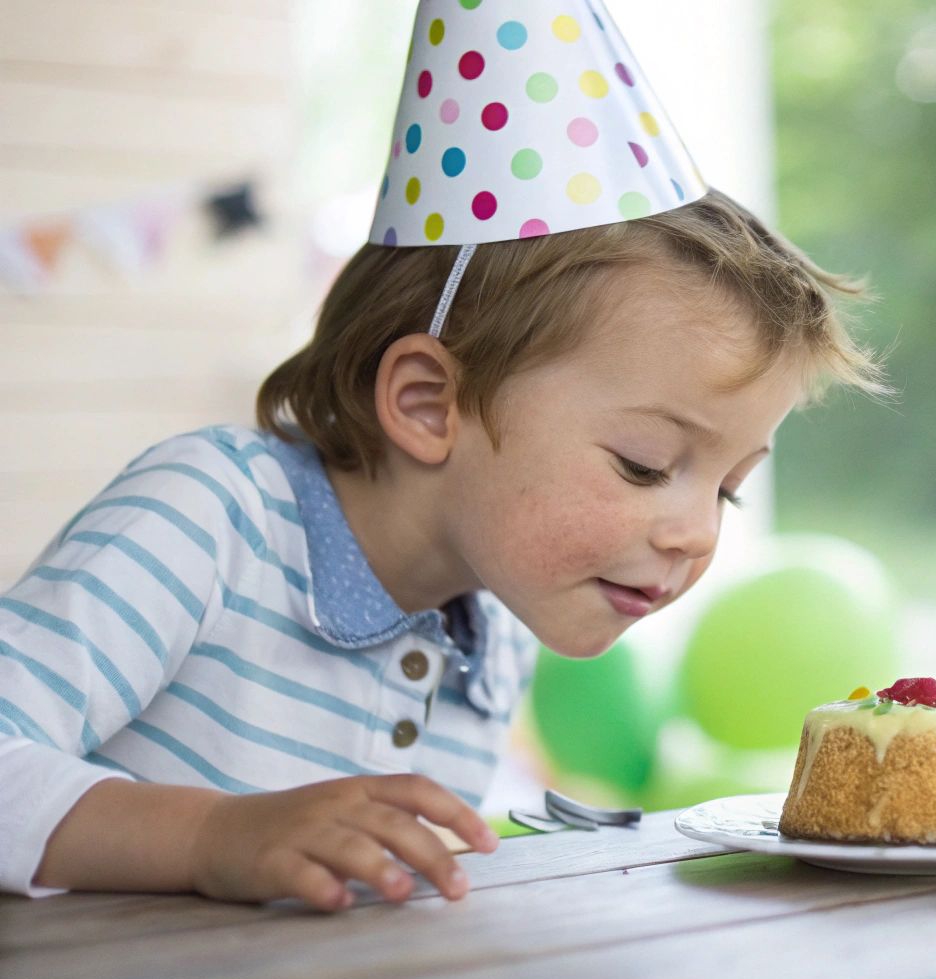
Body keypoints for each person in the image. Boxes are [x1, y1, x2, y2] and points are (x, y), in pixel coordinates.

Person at [0, 1, 889, 912]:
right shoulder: (211, 514)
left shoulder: (488, 630)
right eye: (644, 462)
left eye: (730, 492)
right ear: (430, 404)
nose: (696, 535)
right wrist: (210, 834)